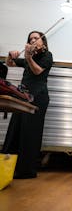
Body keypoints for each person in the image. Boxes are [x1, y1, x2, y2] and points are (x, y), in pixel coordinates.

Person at [2, 30, 53, 179]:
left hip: (38, 97)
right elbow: (9, 63)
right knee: (15, 130)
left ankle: (27, 171)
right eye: (30, 39)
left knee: (30, 133)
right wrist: (10, 55)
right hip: (22, 96)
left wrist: (29, 58)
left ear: (43, 42)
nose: (33, 41)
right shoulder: (27, 56)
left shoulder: (46, 56)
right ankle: (8, 167)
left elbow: (37, 71)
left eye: (36, 38)